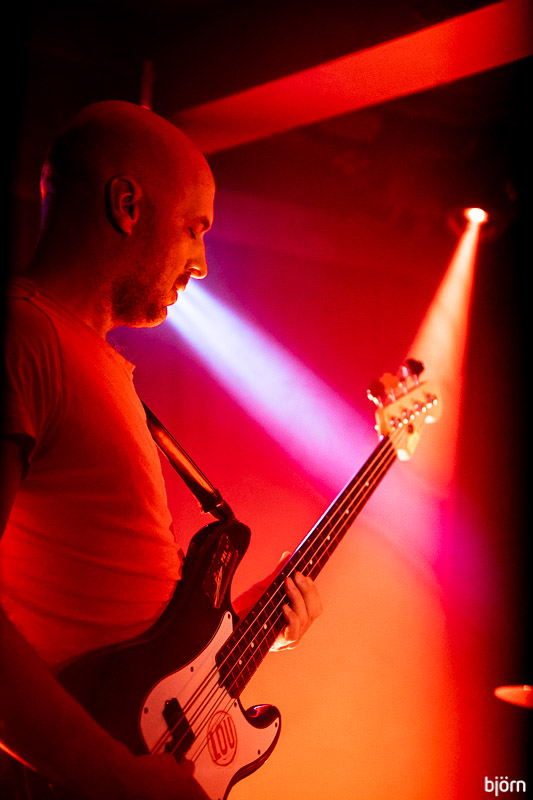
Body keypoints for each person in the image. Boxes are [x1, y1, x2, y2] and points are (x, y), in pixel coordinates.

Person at [0, 100, 322, 799]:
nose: (201, 264)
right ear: (128, 205)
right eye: (194, 229)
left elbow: (111, 612)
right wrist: (116, 776)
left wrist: (241, 626)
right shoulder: (26, 338)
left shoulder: (95, 364)